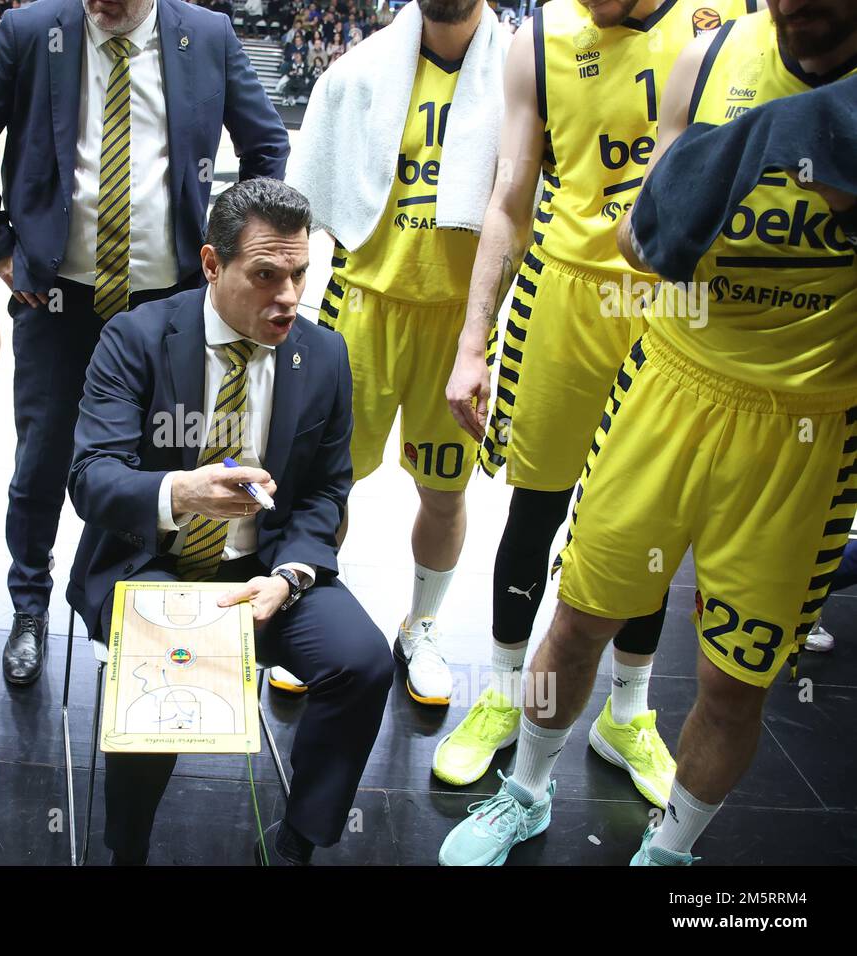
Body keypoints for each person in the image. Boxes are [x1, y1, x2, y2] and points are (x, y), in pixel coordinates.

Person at [443, 0, 855, 866]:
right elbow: (632, 233)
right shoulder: (708, 60)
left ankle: (663, 835)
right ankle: (522, 780)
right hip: (657, 367)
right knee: (571, 588)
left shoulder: (705, 25)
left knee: (735, 681)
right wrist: (748, 153)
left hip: (807, 422)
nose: (794, 9)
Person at [438, 0, 748, 808]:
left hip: (679, 307)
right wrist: (475, 342)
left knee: (656, 522)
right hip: (565, 300)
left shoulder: (734, 20)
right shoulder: (536, 39)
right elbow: (510, 198)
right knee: (535, 510)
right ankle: (510, 691)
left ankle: (628, 712)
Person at [0, 0, 289, 687]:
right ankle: (29, 607)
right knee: (42, 457)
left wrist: (233, 252)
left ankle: (130, 597)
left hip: (170, 301)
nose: (104, 6)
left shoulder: (208, 36)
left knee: (158, 458)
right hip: (59, 298)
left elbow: (266, 144)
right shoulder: (34, 32)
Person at [67, 179, 394, 865]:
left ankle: (299, 839)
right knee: (167, 671)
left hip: (263, 566)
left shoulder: (324, 355)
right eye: (266, 275)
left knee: (362, 664)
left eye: (301, 273)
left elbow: (329, 489)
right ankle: (126, 848)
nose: (289, 297)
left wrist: (291, 575)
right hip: (149, 559)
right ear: (213, 264)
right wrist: (182, 491)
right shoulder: (136, 337)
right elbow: (92, 478)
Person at [286, 0, 507, 704]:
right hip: (363, 306)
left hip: (459, 321)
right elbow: (305, 197)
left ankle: (423, 625)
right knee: (330, 481)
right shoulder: (359, 73)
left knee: (444, 490)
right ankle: (313, 608)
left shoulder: (520, 77)